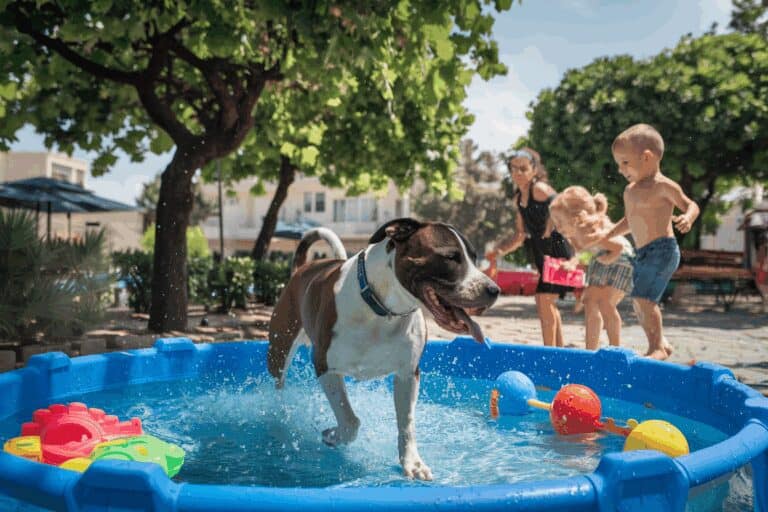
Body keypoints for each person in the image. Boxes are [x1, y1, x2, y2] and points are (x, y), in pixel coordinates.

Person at [589, 123, 699, 360]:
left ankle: (656, 347)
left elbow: (691, 205)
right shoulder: (630, 191)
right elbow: (630, 220)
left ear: (647, 157)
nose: (620, 169)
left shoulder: (663, 186)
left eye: (625, 162)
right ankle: (662, 343)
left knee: (644, 299)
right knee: (639, 301)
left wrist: (688, 218)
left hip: (663, 249)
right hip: (643, 253)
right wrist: (608, 235)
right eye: (619, 164)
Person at [486, 148, 573, 347]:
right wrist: (499, 251)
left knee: (544, 299)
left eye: (523, 168)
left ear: (534, 170)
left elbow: (561, 206)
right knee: (546, 302)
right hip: (542, 254)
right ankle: (558, 350)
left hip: (557, 249)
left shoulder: (539, 189)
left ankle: (549, 352)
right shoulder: (518, 198)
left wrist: (549, 227)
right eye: (514, 168)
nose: (518, 173)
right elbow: (520, 235)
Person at [547, 186, 634, 350]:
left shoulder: (590, 229)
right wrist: (572, 263)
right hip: (602, 259)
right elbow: (582, 254)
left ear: (575, 218)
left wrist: (608, 258)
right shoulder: (573, 235)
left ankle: (615, 348)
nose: (557, 228)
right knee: (590, 301)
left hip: (620, 259)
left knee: (605, 303)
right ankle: (591, 349)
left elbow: (618, 247)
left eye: (559, 222)